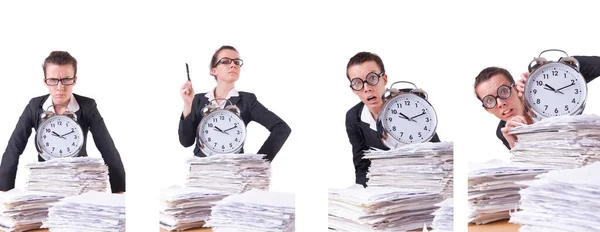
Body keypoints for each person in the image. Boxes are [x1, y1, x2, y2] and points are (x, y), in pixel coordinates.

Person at [0, 51, 126, 193]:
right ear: (45, 81)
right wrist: (4, 193)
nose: (60, 87)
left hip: (79, 182)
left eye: (66, 79)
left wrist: (119, 191)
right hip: (45, 182)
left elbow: (107, 149)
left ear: (74, 80)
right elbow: (14, 148)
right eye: (53, 80)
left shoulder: (87, 106)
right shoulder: (34, 106)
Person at [179, 45, 291, 161]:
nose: (233, 65)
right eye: (226, 61)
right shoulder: (198, 100)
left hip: (233, 173)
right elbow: (186, 142)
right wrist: (188, 103)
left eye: (237, 62)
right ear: (214, 70)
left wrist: (259, 163)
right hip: (202, 173)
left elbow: (281, 128)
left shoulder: (247, 101)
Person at [345, 52, 441, 187]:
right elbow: (362, 168)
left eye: (372, 78)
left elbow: (438, 155)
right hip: (385, 190)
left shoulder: (410, 100)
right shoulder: (354, 118)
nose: (367, 88)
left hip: (424, 181)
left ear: (384, 79)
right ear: (353, 90)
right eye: (357, 83)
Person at [474, 55, 600, 150]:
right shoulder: (504, 132)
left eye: (503, 91)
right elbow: (538, 171)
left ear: (516, 87)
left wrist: (550, 70)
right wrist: (517, 147)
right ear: (487, 109)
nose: (500, 103)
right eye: (490, 100)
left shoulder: (539, 86)